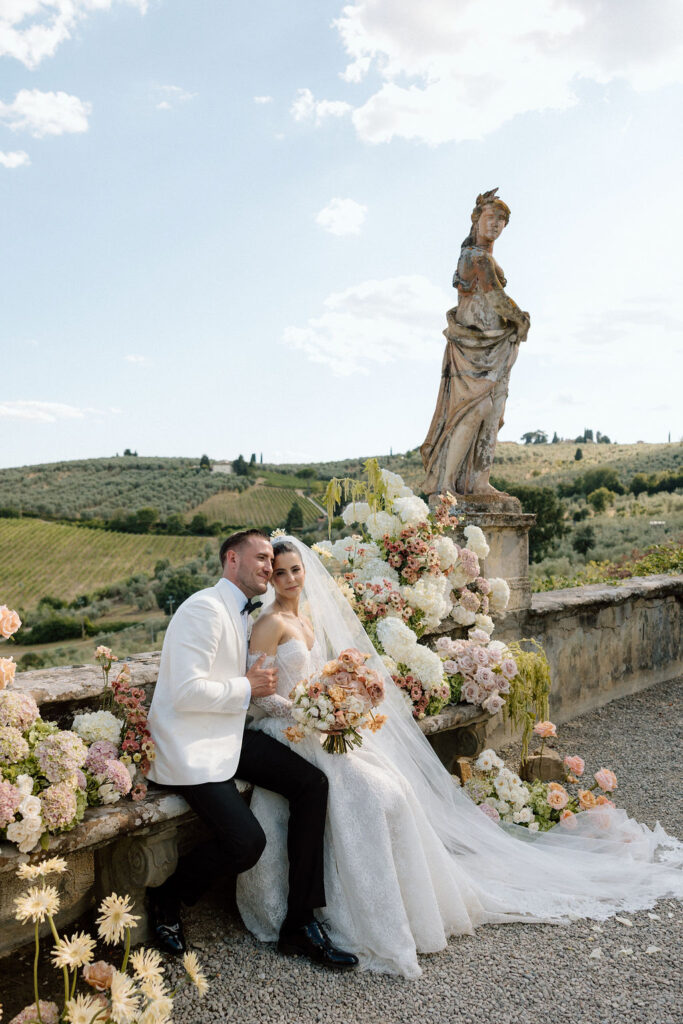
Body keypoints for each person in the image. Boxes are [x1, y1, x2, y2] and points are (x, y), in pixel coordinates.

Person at [237, 535, 683, 979]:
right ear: (270, 578)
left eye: (296, 570)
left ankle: (400, 902)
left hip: (323, 729)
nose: (290, 579)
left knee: (397, 789)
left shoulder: (308, 618)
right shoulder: (269, 623)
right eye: (281, 573)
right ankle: (348, 915)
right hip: (289, 732)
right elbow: (260, 697)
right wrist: (310, 713)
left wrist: (343, 703)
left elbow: (322, 679)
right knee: (371, 795)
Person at [145, 528, 358, 969]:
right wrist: (247, 687)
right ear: (231, 559)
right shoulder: (203, 608)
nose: (268, 566)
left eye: (270, 560)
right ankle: (166, 898)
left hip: (231, 735)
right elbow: (184, 692)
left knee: (312, 785)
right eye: (260, 557)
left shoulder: (246, 611)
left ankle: (299, 923)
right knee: (247, 843)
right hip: (193, 746)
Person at [421, 189, 530, 497]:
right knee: (474, 409)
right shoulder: (475, 257)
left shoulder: (485, 257)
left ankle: (479, 482)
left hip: (496, 345)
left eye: (502, 220)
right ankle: (445, 485)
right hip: (473, 346)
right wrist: (521, 319)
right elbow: (496, 297)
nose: (496, 224)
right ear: (477, 219)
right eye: (491, 217)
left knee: (494, 412)